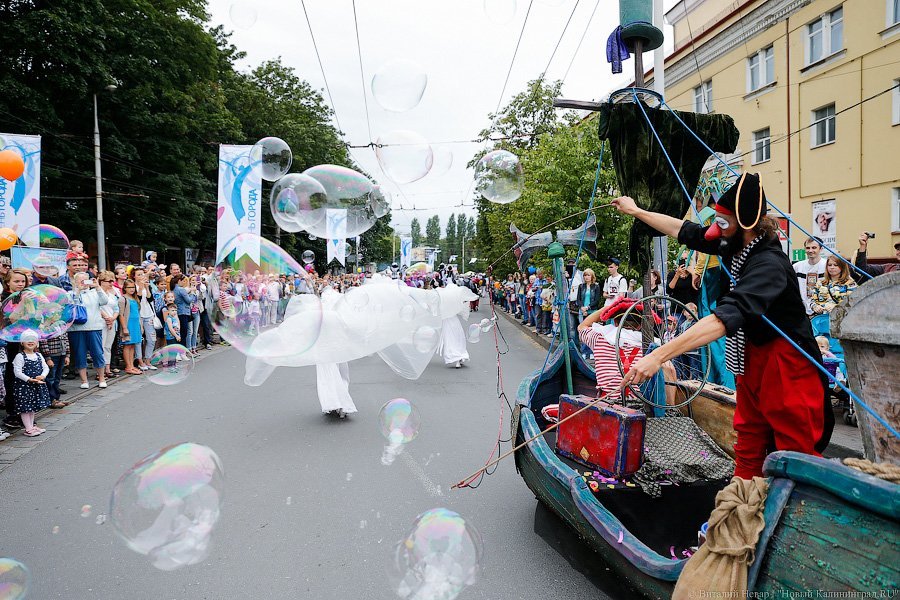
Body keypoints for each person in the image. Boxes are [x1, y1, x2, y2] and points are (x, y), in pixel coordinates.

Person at [611, 172, 833, 479]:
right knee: (749, 439)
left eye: (722, 222)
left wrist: (659, 355)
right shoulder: (735, 243)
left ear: (746, 224)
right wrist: (637, 211)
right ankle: (739, 509)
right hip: (753, 358)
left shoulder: (769, 264)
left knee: (793, 453)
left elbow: (723, 318)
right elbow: (685, 231)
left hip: (787, 366)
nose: (715, 229)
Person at [69, 271, 109, 390]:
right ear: (75, 282)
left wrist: (97, 287)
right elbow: (71, 305)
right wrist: (78, 291)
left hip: (94, 327)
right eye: (80, 280)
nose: (83, 283)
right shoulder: (70, 293)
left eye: (86, 280)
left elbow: (104, 301)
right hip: (76, 329)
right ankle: (84, 380)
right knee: (80, 354)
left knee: (97, 353)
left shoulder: (94, 293)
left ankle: (101, 378)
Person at [11, 331, 50, 437]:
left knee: (32, 407)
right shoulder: (20, 356)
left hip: (36, 386)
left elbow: (45, 367)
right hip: (24, 387)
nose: (30, 341)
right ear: (22, 343)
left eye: (33, 339)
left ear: (37, 342)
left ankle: (31, 425)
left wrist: (42, 376)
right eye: (27, 339)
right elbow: (17, 372)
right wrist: (29, 379)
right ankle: (28, 428)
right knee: (25, 408)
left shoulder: (38, 355)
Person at [793, 237, 827, 316]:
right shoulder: (797, 267)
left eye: (814, 248)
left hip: (822, 311)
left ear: (821, 249)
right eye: (808, 248)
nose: (810, 251)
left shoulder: (827, 266)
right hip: (801, 311)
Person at [97, 271, 121, 380]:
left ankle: (107, 369)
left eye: (112, 281)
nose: (111, 283)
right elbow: (98, 308)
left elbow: (116, 309)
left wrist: (113, 318)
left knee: (108, 346)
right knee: (100, 346)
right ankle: (99, 371)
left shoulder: (112, 295)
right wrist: (107, 318)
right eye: (109, 281)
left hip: (112, 322)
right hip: (101, 322)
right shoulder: (97, 293)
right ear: (102, 282)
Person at [118, 278, 143, 375]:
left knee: (133, 345)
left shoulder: (135, 298)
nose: (132, 289)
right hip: (128, 324)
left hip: (135, 323)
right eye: (129, 287)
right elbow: (121, 314)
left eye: (133, 287)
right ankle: (128, 366)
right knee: (127, 345)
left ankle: (132, 365)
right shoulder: (123, 299)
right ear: (125, 288)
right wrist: (124, 327)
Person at [39, 331, 70, 409]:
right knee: (50, 378)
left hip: (62, 354)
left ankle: (56, 398)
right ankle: (51, 399)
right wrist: (48, 358)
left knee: (57, 377)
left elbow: (66, 340)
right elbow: (43, 342)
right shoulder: (46, 327)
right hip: (52, 355)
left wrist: (67, 355)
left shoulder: (62, 325)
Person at [172, 273, 198, 349]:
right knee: (184, 332)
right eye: (183, 281)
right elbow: (189, 300)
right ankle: (182, 349)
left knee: (181, 331)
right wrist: (192, 292)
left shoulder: (174, 289)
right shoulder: (181, 289)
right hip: (183, 312)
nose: (184, 283)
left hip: (178, 312)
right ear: (179, 281)